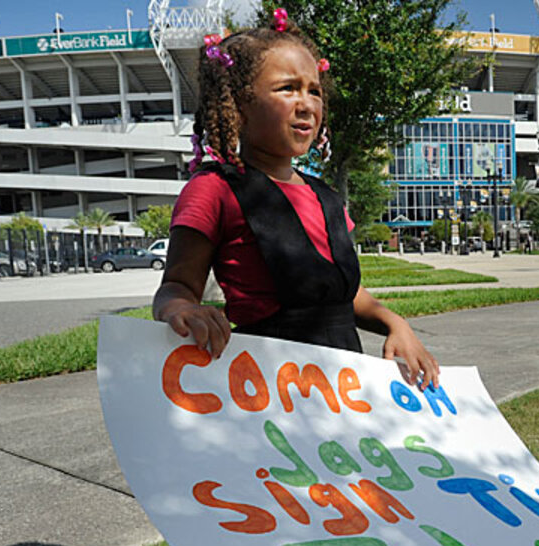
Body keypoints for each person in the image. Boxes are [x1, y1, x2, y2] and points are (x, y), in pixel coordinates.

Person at [152, 11, 439, 389]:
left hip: (344, 390)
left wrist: (394, 323)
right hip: (269, 391)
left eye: (314, 90)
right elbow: (176, 286)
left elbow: (345, 295)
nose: (306, 104)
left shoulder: (326, 198)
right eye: (287, 88)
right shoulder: (215, 189)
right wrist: (183, 308)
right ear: (238, 103)